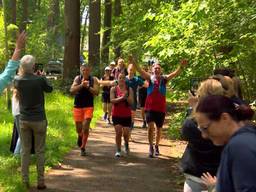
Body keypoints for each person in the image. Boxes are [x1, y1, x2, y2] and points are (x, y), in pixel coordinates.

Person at [195, 95, 255, 192]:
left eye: (205, 128)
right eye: (200, 129)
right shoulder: (244, 139)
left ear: (224, 118)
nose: (204, 136)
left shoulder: (240, 146)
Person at [134, 58, 188, 157]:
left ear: (161, 70)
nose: (157, 70)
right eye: (155, 68)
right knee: (150, 127)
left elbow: (175, 73)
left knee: (158, 129)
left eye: (159, 68)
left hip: (160, 108)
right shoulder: (149, 78)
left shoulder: (164, 79)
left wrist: (181, 66)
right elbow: (141, 71)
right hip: (149, 107)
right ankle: (150, 147)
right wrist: (134, 63)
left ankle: (157, 146)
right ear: (152, 69)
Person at [14, 55, 53, 190]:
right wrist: (43, 76)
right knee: (39, 151)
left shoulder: (17, 80)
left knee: (25, 151)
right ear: (33, 66)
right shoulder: (39, 79)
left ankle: (25, 181)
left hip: (24, 119)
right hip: (39, 119)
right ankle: (40, 181)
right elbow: (50, 89)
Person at [181, 78, 225, 192]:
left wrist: (192, 108)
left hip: (196, 176)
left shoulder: (195, 120)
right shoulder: (227, 118)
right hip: (219, 177)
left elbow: (185, 132)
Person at [70, 64, 99, 156]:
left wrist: (88, 87)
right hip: (78, 106)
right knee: (79, 129)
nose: (85, 72)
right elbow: (72, 90)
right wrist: (81, 85)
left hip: (88, 106)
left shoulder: (93, 79)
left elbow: (97, 92)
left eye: (87, 70)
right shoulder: (77, 79)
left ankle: (83, 147)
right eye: (83, 70)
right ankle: (80, 135)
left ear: (90, 70)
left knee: (86, 127)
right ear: (81, 71)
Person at [110, 73, 133, 157]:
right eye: (120, 78)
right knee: (118, 132)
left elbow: (131, 102)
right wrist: (122, 98)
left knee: (126, 134)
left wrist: (126, 97)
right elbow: (112, 100)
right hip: (116, 114)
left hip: (126, 115)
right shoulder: (113, 89)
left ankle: (126, 144)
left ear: (125, 79)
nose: (122, 79)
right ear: (117, 79)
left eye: (123, 78)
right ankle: (118, 150)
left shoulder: (129, 89)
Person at [125, 64, 144, 129]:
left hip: (133, 99)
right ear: (127, 70)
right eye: (130, 69)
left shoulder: (137, 79)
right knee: (125, 115)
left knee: (132, 114)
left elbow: (145, 85)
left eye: (132, 70)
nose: (131, 71)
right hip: (124, 100)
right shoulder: (124, 78)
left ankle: (131, 127)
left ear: (134, 71)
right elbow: (113, 83)